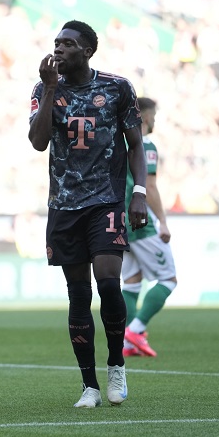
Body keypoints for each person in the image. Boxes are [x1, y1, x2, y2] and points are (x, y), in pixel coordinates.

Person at [27, 20, 148, 409]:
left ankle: (116, 365)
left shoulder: (117, 88)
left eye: (67, 44)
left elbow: (135, 144)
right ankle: (89, 386)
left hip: (105, 201)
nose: (58, 49)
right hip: (64, 205)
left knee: (109, 284)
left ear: (88, 51)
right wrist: (49, 88)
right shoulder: (44, 89)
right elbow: (38, 141)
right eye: (56, 43)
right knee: (78, 294)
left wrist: (139, 192)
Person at [122, 97, 177, 358]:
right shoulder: (145, 145)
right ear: (144, 117)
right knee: (168, 278)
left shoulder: (118, 142)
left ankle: (127, 344)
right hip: (140, 222)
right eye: (153, 116)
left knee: (132, 281)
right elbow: (150, 186)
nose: (154, 120)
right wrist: (163, 221)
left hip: (118, 222)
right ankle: (135, 330)